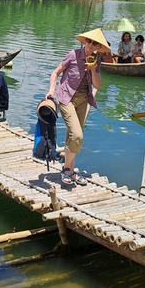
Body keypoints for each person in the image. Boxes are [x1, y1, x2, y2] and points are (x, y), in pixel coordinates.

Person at [45, 28, 110, 186]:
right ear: (85, 41)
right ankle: (67, 169)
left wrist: (94, 70)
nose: (90, 45)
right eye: (89, 41)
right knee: (77, 135)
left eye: (95, 43)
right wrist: (51, 91)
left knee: (73, 136)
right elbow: (56, 72)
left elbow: (97, 85)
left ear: (98, 47)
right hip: (66, 98)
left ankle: (70, 170)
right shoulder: (73, 55)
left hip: (83, 100)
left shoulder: (96, 61)